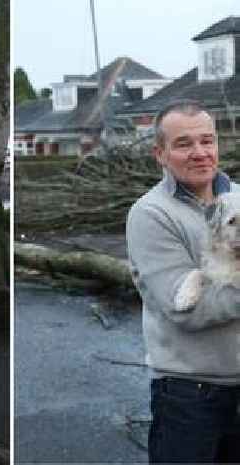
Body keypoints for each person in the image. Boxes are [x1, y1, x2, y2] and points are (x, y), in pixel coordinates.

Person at [126, 99, 240, 463]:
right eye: (183, 144)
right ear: (159, 153)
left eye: (207, 141)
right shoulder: (150, 215)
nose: (199, 153)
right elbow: (187, 312)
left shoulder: (236, 198)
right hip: (191, 395)